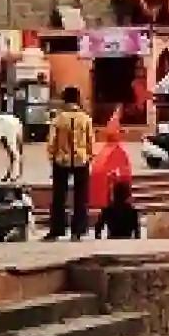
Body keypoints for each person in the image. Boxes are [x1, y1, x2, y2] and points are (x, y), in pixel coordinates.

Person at [45, 87, 96, 241]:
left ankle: (57, 230)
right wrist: (89, 156)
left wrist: (52, 157)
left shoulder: (58, 119)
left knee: (59, 197)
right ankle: (78, 231)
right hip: (81, 160)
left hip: (62, 160)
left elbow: (51, 142)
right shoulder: (85, 119)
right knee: (81, 197)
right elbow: (90, 142)